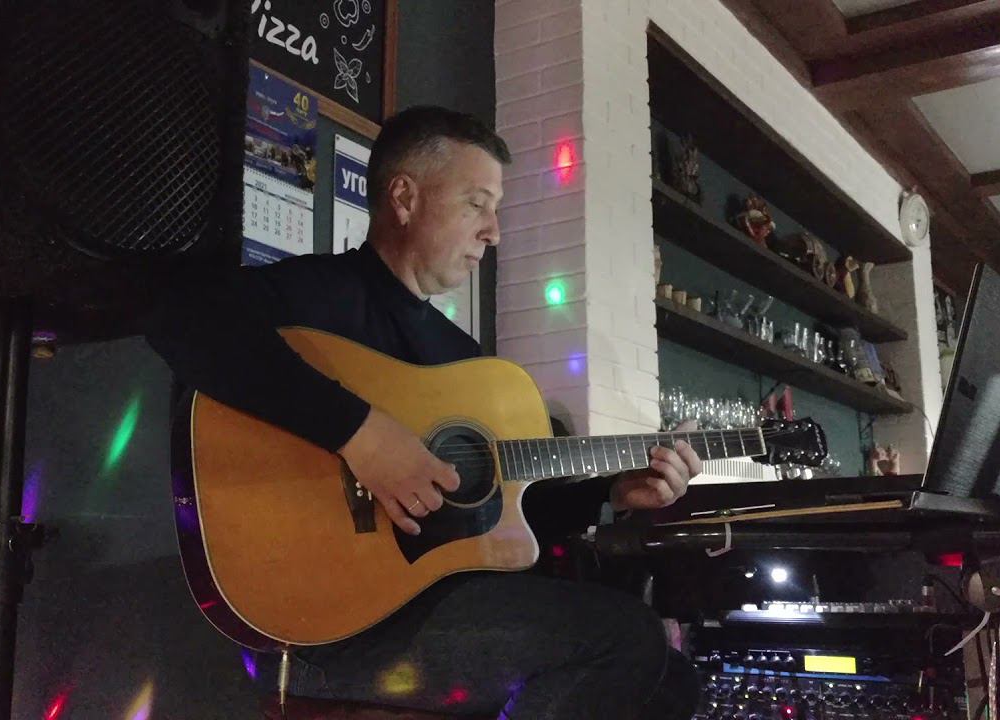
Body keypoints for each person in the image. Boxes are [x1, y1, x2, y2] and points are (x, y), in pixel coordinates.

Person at [147, 106, 703, 719]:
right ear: (404, 198)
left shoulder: (463, 359)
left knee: (672, 680)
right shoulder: (316, 296)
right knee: (627, 638)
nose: (494, 232)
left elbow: (501, 515)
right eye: (476, 204)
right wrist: (360, 433)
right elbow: (179, 317)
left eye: (496, 210)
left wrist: (614, 491)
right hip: (329, 627)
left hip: (433, 605)